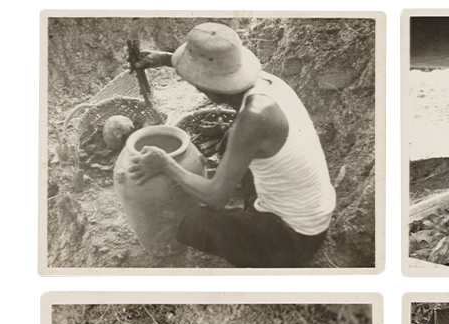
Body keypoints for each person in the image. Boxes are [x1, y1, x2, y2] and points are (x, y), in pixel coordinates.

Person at [130, 23, 336, 267]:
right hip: (312, 215)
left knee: (195, 222)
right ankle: (250, 211)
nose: (195, 86)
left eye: (195, 82)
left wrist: (165, 164)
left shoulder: (253, 119)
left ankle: (264, 255)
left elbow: (215, 198)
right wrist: (165, 59)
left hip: (295, 238)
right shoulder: (267, 85)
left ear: (208, 87)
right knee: (230, 139)